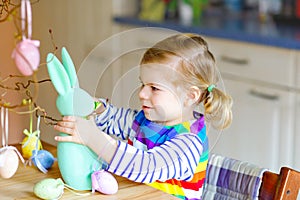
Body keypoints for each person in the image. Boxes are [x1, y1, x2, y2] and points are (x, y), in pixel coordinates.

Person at [54, 33, 233, 199]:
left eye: (154, 88)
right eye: (143, 84)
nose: (142, 93)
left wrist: (94, 139)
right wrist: (95, 107)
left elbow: (144, 166)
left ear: (189, 96)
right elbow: (114, 118)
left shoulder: (190, 142)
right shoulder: (147, 120)